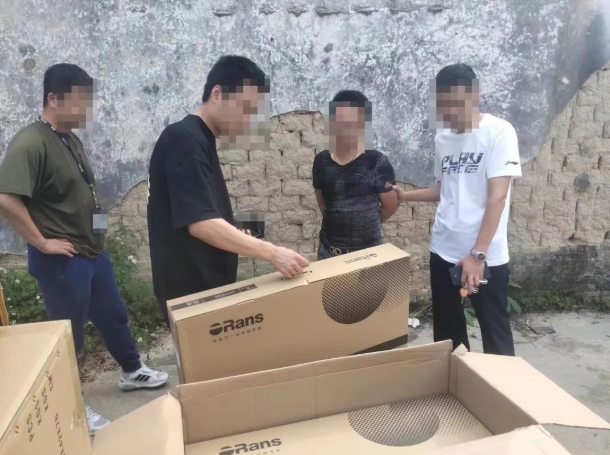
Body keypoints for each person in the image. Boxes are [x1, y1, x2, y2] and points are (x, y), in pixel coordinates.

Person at [0, 64, 168, 433]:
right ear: (54, 99)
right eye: (80, 101)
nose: (87, 109)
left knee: (113, 314)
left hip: (92, 252)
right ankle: (71, 404)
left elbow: (87, 193)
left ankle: (131, 371)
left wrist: (101, 235)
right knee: (68, 335)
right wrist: (41, 242)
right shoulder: (29, 143)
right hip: (62, 259)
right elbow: (7, 199)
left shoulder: (70, 139)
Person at [147, 55, 310, 324]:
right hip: (193, 297)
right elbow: (201, 224)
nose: (248, 120)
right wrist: (272, 253)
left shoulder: (201, 139)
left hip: (206, 291)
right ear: (217, 94)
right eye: (245, 108)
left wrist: (235, 229)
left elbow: (201, 210)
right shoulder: (184, 139)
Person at [393, 63, 522, 356]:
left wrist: (478, 255)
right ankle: (454, 380)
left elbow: (498, 197)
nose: (450, 112)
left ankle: (497, 385)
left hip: (484, 256)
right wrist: (405, 196)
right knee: (448, 336)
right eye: (444, 104)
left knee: (496, 336)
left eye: (456, 103)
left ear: (474, 95)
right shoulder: (443, 138)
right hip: (443, 249)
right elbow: (445, 188)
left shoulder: (499, 131)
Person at [312, 90, 398, 260]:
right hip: (328, 253)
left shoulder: (377, 162)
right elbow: (322, 203)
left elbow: (391, 206)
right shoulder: (321, 161)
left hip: (368, 255)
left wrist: (367, 225)